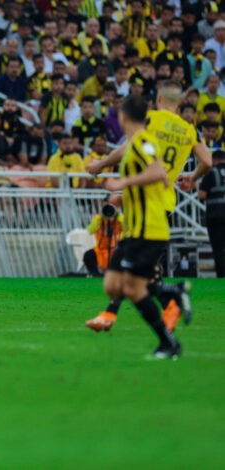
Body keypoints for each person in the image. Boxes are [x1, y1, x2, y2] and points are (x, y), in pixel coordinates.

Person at [86, 82, 212, 333]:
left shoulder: (152, 119)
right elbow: (207, 161)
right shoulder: (190, 130)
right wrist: (192, 177)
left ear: (159, 99)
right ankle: (153, 306)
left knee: (127, 259)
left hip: (145, 199)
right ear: (179, 102)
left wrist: (101, 164)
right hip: (164, 201)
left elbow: (130, 146)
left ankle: (160, 302)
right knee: (138, 262)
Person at [95, 95, 183, 359]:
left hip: (148, 228)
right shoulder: (135, 143)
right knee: (112, 285)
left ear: (123, 116)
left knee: (132, 288)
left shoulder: (144, 141)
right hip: (134, 229)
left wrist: (121, 184)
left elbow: (159, 173)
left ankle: (168, 343)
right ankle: (170, 291)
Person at [198, 149, 225, 277]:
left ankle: (222, 278)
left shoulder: (211, 173)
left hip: (215, 216)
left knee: (218, 249)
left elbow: (202, 195)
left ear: (213, 160)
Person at [83, 199, 123, 277]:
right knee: (88, 255)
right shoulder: (97, 218)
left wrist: (118, 215)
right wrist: (100, 217)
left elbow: (129, 229)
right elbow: (90, 230)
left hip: (115, 250)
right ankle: (95, 275)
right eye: (106, 206)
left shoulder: (120, 218)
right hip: (100, 250)